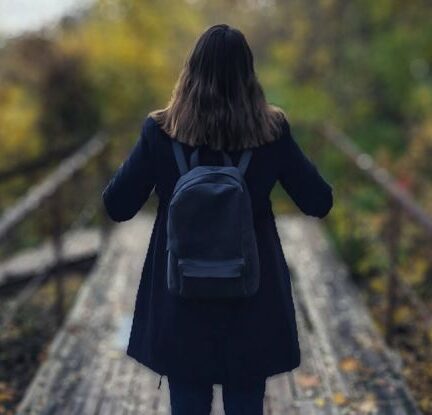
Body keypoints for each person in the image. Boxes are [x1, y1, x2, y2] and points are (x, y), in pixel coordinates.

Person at [102, 23, 333, 415]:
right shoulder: (272, 132)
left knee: (188, 403)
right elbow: (318, 201)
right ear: (248, 76)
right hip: (251, 300)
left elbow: (117, 205)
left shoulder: (159, 132)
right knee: (246, 403)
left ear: (190, 73)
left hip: (181, 301)